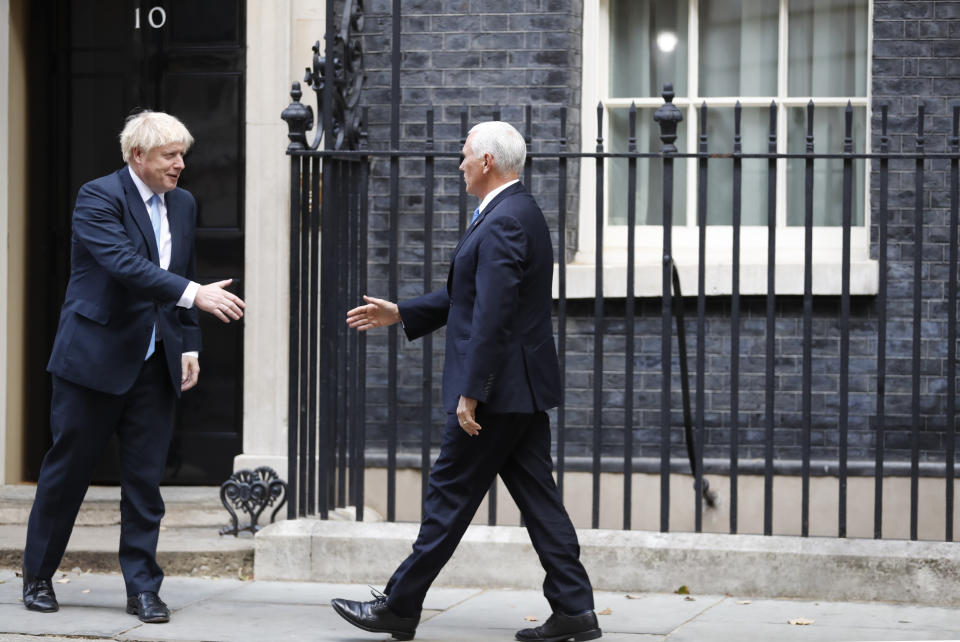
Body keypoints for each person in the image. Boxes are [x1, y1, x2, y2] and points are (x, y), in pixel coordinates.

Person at [333, 121, 600, 642]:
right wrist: (403, 313)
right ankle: (574, 607)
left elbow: (495, 315)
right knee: (539, 500)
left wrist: (472, 391)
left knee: (449, 495)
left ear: (486, 163)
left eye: (464, 156)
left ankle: (400, 605)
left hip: (496, 394)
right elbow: (473, 297)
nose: (458, 165)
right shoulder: (514, 212)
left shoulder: (503, 220)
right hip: (518, 389)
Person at [21, 111, 246, 623]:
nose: (180, 165)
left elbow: (182, 271)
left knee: (145, 481)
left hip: (154, 362)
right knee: (66, 475)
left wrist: (188, 343)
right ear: (136, 156)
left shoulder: (184, 204)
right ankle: (37, 576)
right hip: (93, 362)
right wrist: (195, 295)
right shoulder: (97, 197)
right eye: (170, 155)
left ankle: (143, 588)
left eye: (182, 154)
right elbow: (124, 264)